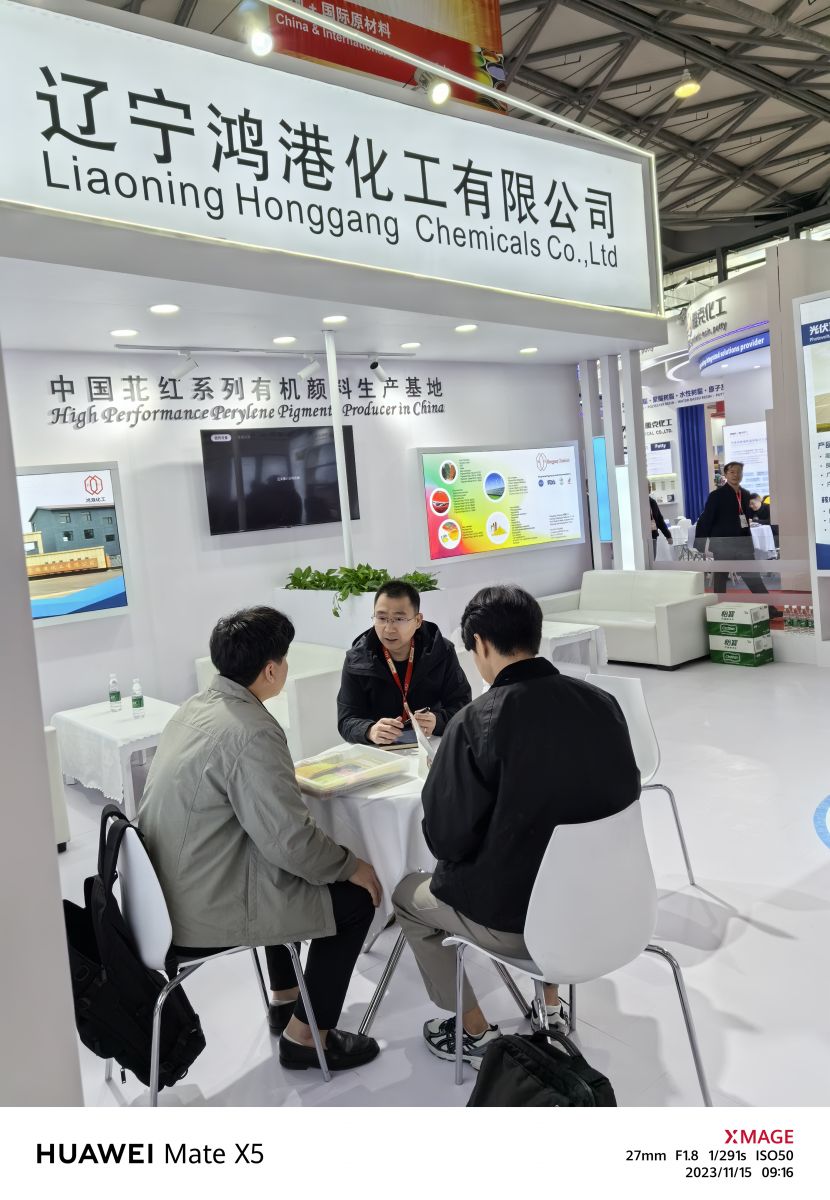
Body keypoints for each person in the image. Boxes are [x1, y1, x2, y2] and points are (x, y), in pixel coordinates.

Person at [392, 585, 640, 1070]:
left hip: (522, 923)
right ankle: (550, 1007)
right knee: (548, 850)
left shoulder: (475, 723)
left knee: (407, 897)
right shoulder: (603, 703)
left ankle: (474, 1031)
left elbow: (445, 839)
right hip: (614, 901)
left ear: (481, 644)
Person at [137, 606, 382, 1073]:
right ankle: (307, 1038)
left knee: (283, 869)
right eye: (285, 659)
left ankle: (285, 999)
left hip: (163, 893)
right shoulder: (251, 731)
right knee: (355, 901)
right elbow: (291, 842)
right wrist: (351, 865)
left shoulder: (196, 708)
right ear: (271, 670)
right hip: (199, 907)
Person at [337, 579, 472, 746]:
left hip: (431, 745)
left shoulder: (441, 651)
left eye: (399, 619)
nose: (389, 628)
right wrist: (370, 730)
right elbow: (346, 720)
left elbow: (463, 705)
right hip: (380, 750)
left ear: (418, 621)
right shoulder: (357, 659)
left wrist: (438, 721)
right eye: (381, 618)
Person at [694, 461, 769, 597]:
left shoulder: (745, 494)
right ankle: (717, 604)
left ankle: (768, 604)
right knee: (720, 579)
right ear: (726, 474)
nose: (736, 475)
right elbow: (706, 519)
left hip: (743, 544)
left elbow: (746, 518)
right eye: (732, 472)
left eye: (739, 472)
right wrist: (700, 542)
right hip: (723, 544)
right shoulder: (716, 495)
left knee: (753, 577)